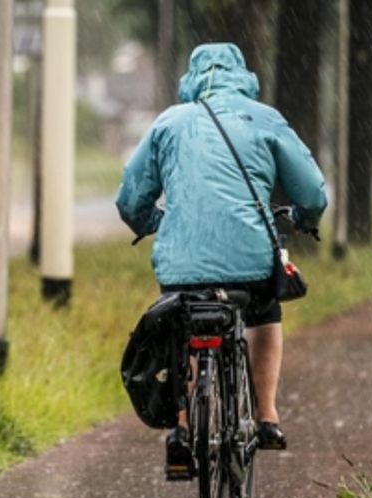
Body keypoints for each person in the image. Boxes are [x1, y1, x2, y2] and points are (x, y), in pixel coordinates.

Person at [115, 43, 327, 475]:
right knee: (264, 315)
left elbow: (130, 198)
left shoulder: (169, 123)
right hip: (250, 262)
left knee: (186, 320)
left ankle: (182, 427)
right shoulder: (266, 118)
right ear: (244, 76)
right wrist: (304, 218)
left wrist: (153, 221)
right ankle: (266, 418)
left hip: (182, 265)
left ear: (190, 80)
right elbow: (312, 192)